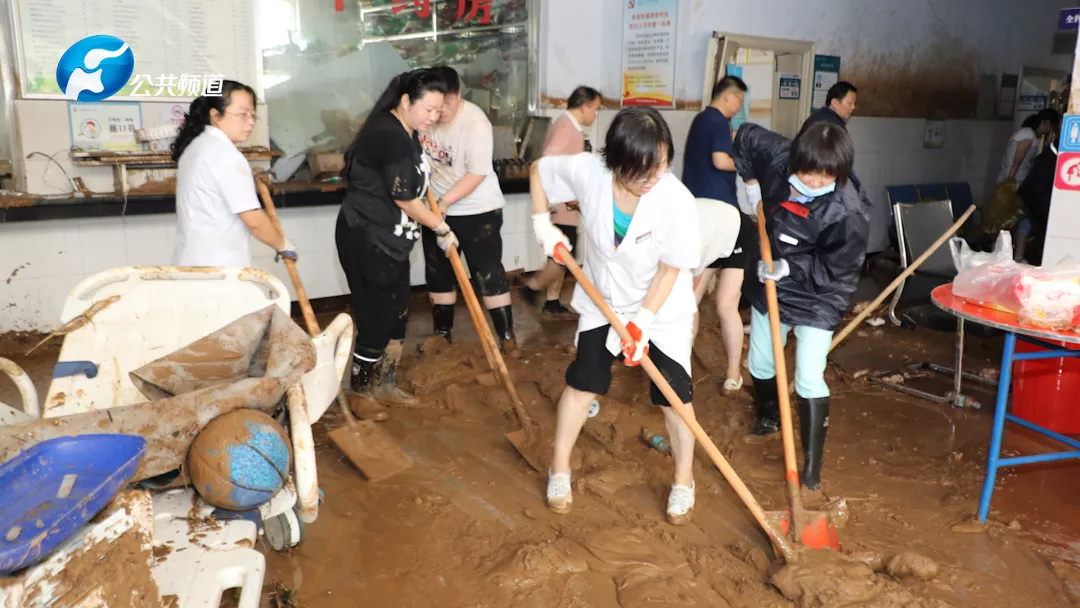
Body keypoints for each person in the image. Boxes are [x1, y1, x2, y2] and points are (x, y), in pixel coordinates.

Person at [531, 107, 702, 524]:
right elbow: (538, 169)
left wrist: (641, 321)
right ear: (615, 162)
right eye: (642, 171)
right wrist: (542, 223)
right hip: (603, 297)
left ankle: (683, 480)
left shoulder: (675, 199)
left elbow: (670, 269)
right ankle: (559, 470)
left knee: (675, 395)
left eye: (660, 166)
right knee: (584, 380)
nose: (653, 179)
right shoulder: (590, 171)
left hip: (660, 308)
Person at [735, 121, 870, 492]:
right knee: (761, 360)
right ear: (795, 160)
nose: (811, 183)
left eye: (823, 177)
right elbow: (745, 136)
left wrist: (790, 267)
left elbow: (838, 269)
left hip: (821, 292)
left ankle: (811, 466)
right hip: (771, 277)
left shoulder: (848, 213)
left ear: (838, 174)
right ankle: (768, 417)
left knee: (808, 375)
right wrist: (750, 187)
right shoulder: (780, 158)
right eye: (806, 174)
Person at [336, 69, 457, 407]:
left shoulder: (409, 131)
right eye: (427, 109)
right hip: (368, 236)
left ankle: (385, 383)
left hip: (394, 240)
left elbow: (415, 185)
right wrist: (441, 228)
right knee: (376, 317)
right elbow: (404, 197)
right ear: (405, 101)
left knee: (398, 313)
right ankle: (361, 392)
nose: (432, 117)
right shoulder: (388, 134)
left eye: (438, 110)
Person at [419, 66, 516, 351]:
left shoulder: (475, 123)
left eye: (447, 104)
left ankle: (506, 338)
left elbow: (476, 174)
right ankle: (442, 335)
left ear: (458, 95)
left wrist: (447, 201)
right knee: (439, 273)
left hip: (478, 209)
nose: (441, 112)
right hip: (435, 209)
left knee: (487, 272)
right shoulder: (425, 117)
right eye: (435, 105)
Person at [172, 80, 296, 267]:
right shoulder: (225, 155)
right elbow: (253, 220)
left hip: (190, 261)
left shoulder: (196, 147)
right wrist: (283, 245)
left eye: (253, 115)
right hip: (219, 269)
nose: (250, 122)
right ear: (215, 115)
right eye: (242, 114)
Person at [682, 75, 750, 391]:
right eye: (739, 101)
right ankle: (733, 373)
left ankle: (679, 367)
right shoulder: (718, 121)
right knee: (726, 306)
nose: (739, 107)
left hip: (700, 218)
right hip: (725, 221)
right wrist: (748, 164)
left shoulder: (700, 121)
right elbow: (721, 161)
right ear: (729, 97)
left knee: (689, 300)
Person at [520, 85, 603, 318]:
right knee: (564, 254)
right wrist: (549, 202)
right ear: (584, 106)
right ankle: (532, 288)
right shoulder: (566, 128)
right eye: (595, 109)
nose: (595, 115)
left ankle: (552, 300)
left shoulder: (570, 128)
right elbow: (546, 163)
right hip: (560, 206)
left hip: (566, 205)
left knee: (561, 253)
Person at [996, 109, 1058, 262]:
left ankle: (1001, 254)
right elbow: (1018, 160)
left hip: (1010, 182)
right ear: (1045, 124)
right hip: (1016, 183)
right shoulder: (1029, 136)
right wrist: (1011, 181)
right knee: (1024, 221)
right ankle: (1017, 257)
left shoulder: (1021, 133)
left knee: (1006, 220)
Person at [691, 198, 743, 342]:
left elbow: (694, 280)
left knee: (725, 306)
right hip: (712, 227)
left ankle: (733, 365)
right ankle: (685, 357)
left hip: (736, 228)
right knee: (690, 303)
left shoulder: (695, 244)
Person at [998, 109, 1058, 186]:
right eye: (1051, 126)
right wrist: (1010, 180)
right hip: (1014, 181)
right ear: (1045, 122)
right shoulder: (1028, 134)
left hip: (1011, 179)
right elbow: (1017, 160)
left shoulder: (1026, 133)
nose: (1049, 130)